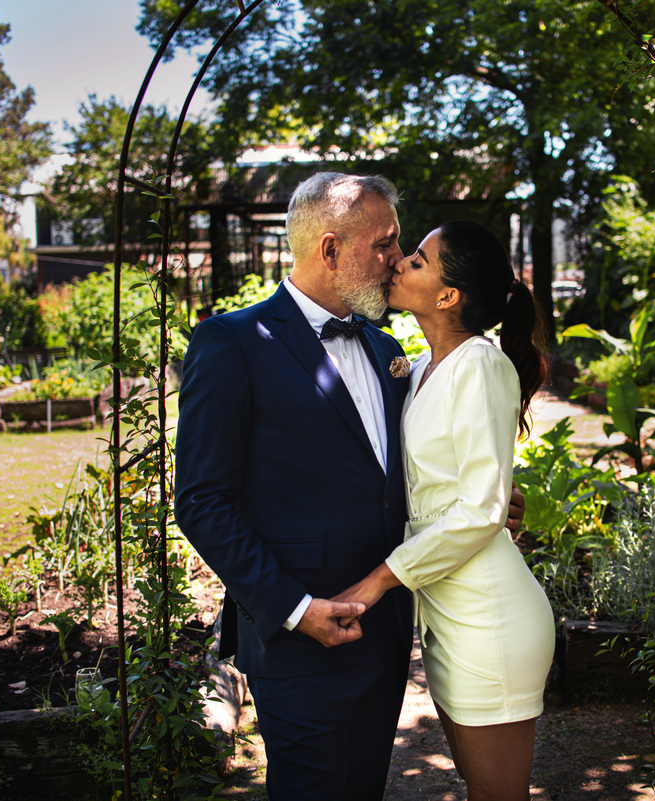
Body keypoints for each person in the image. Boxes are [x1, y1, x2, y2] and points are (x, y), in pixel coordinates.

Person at [174, 174, 523, 800]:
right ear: (330, 249)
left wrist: (484, 500)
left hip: (384, 636)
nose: (396, 259)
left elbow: (408, 469)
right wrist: (296, 608)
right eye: (385, 244)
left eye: (403, 247)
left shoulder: (390, 347)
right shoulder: (232, 344)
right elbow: (202, 500)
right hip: (302, 639)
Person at [333, 220, 555, 801]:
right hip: (444, 614)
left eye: (417, 261)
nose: (399, 263)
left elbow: (480, 511)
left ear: (448, 295)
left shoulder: (480, 364)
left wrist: (380, 580)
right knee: (476, 786)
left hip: (489, 619)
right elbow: (448, 483)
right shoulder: (424, 368)